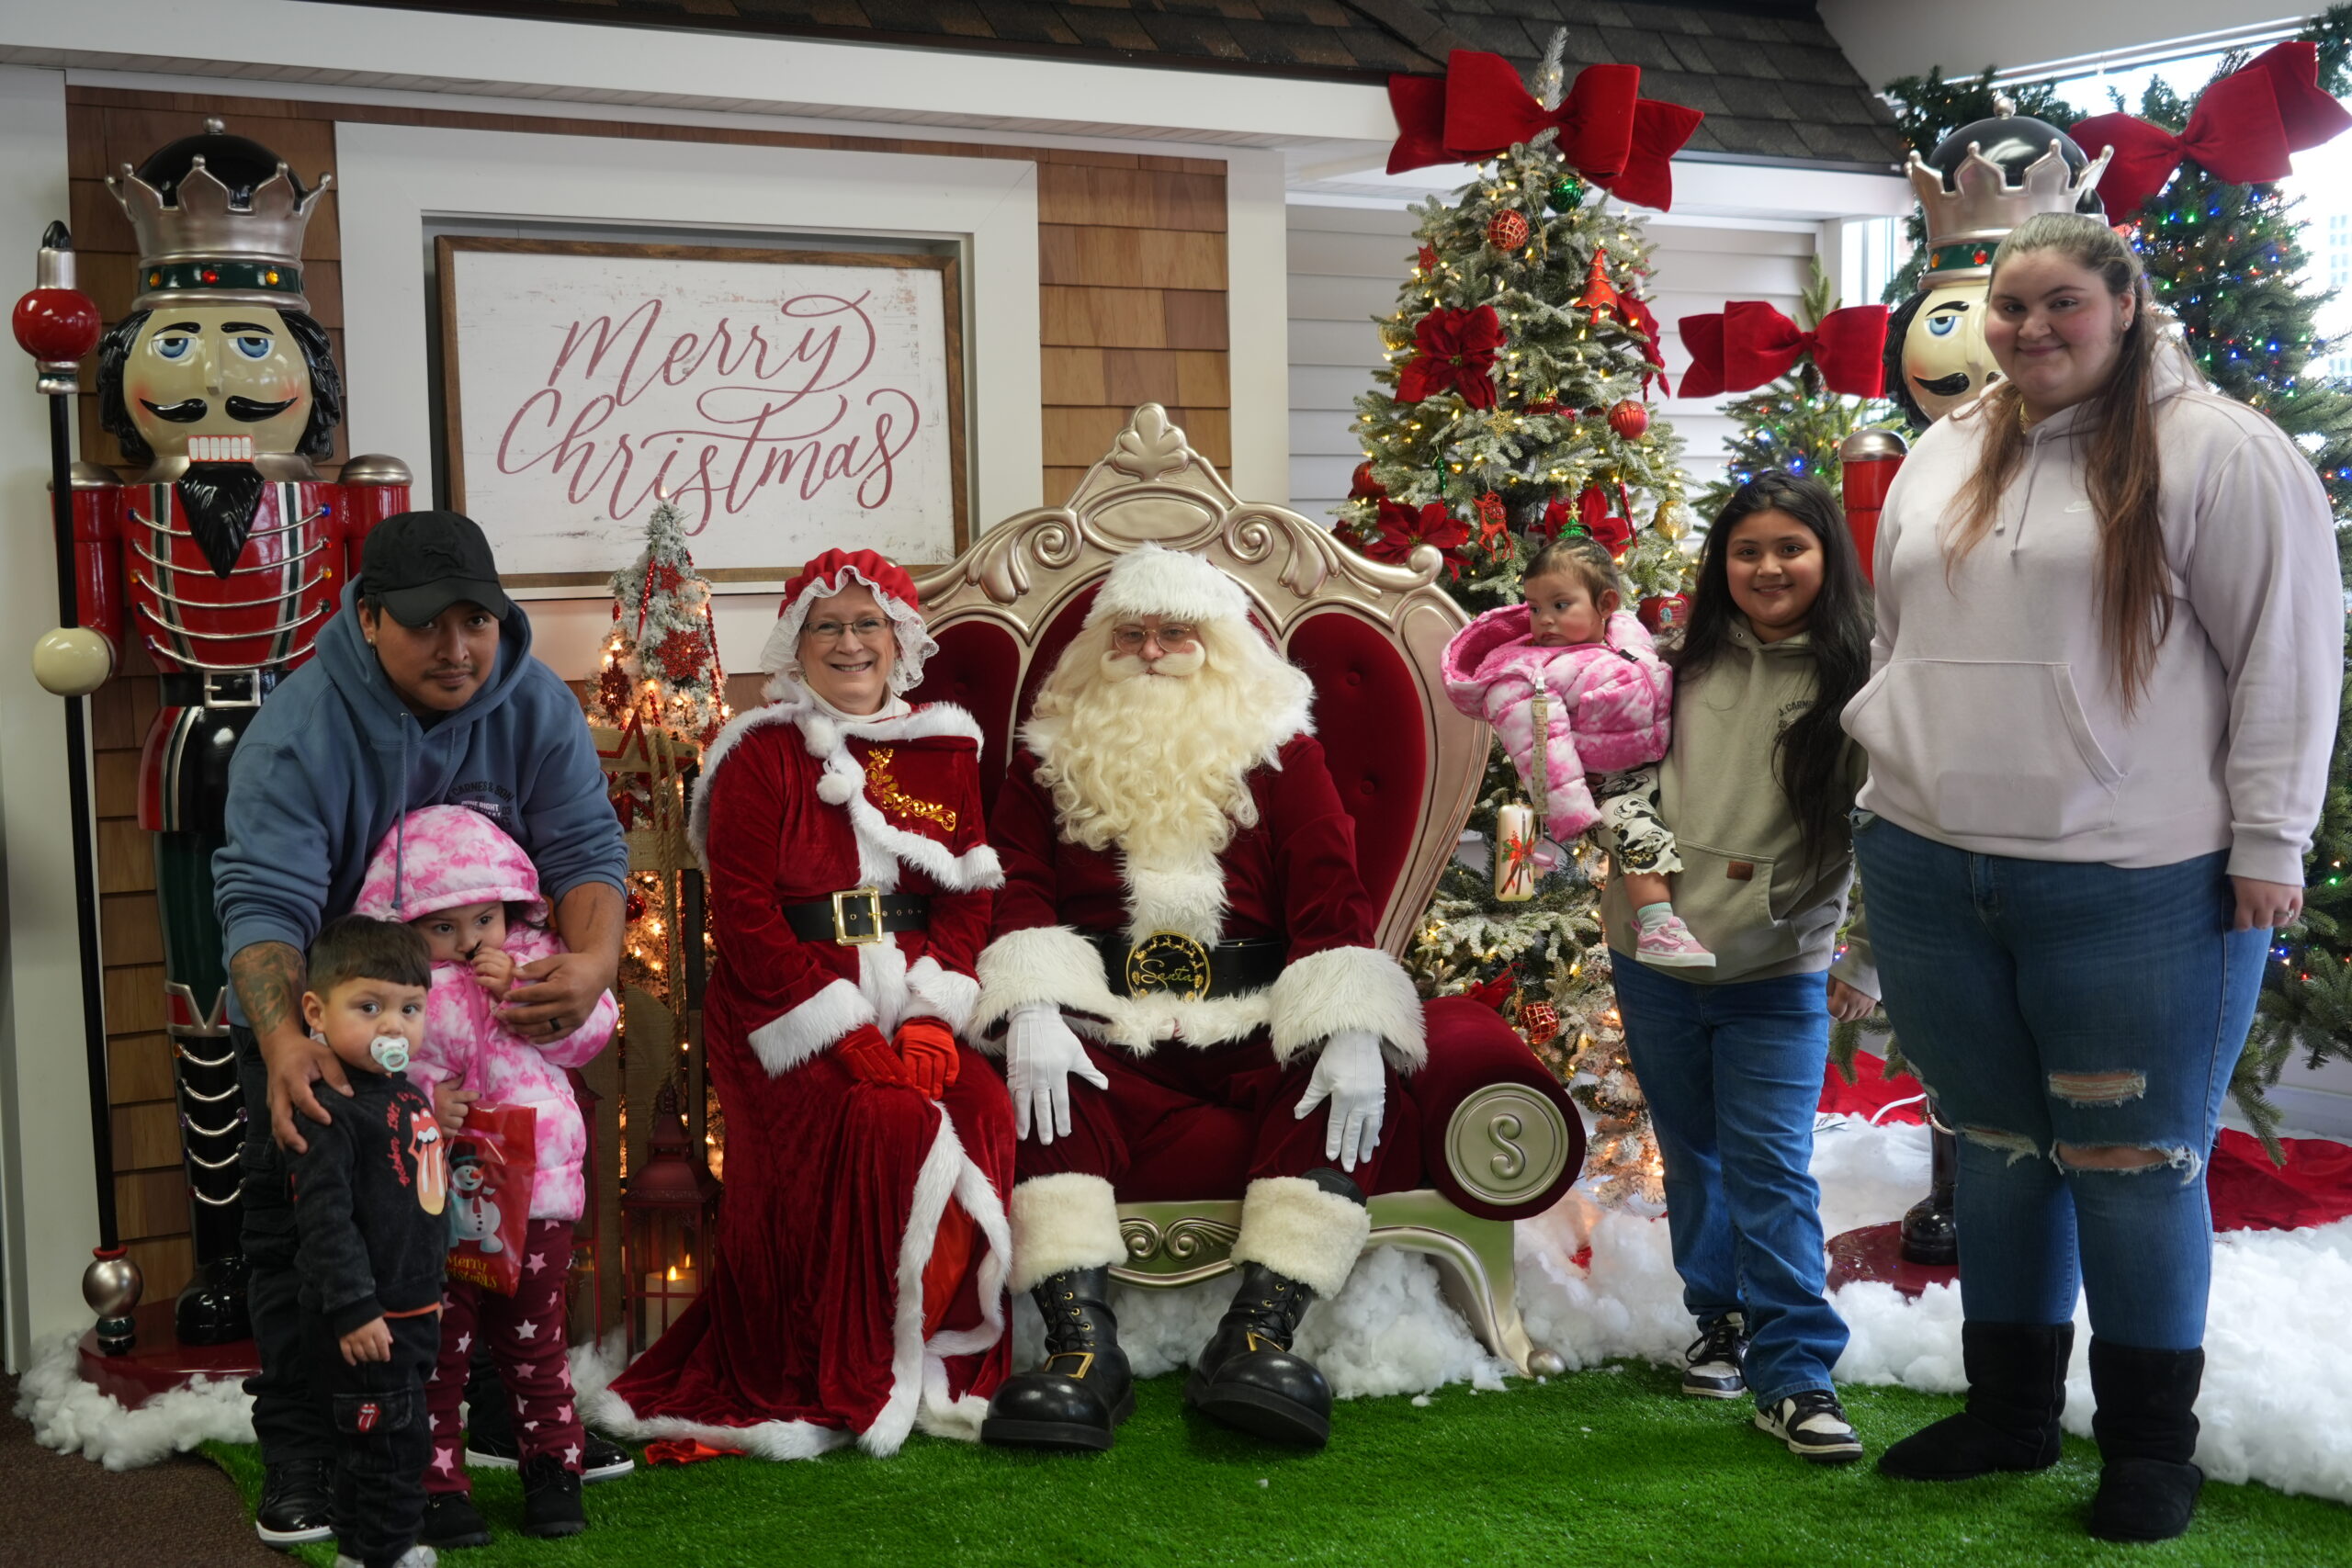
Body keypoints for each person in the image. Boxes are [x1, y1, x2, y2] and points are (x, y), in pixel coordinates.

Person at [1844, 212, 2342, 1541]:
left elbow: (2289, 657)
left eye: (2061, 301)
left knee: (2130, 1162)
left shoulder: (2221, 451)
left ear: (2124, 302)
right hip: (1931, 860)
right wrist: (1883, 785)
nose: (2030, 329)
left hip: (2137, 880)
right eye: (2010, 306)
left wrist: (2270, 844)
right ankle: (2008, 1414)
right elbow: (1896, 637)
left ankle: (2148, 1450)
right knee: (1998, 1150)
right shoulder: (1945, 448)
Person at [974, 544, 1447, 1454]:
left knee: (1336, 1083)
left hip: (1251, 1021)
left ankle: (1257, 1336)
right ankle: (1082, 1348)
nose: (1151, 652)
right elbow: (1020, 886)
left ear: (1219, 648)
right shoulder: (1049, 756)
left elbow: (1330, 895)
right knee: (1040, 1087)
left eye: (1175, 634)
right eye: (1131, 636)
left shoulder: (1282, 751)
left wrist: (1349, 1022)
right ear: (1101, 647)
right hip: (1107, 1023)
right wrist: (1033, 1006)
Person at [214, 510, 629, 1546]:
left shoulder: (533, 701)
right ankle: (303, 1448)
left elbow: (586, 846)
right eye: (425, 623)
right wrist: (289, 1043)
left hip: (481, 1030)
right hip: (330, 1021)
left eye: (475, 621)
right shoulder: (301, 730)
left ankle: (490, 1410)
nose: (456, 648)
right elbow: (265, 902)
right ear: (368, 618)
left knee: (491, 1226)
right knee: (308, 1233)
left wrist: (589, 967)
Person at [592, 549, 1015, 1459]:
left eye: (867, 625)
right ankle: (846, 1358)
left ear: (899, 639)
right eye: (828, 626)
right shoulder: (758, 753)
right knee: (886, 1119)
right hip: (783, 1007)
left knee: (980, 1105)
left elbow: (968, 898)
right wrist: (845, 1033)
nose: (849, 643)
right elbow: (744, 915)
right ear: (797, 641)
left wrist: (931, 1014)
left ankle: (937, 1348)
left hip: (913, 992)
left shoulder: (945, 748)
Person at [1598, 472, 1879, 1464]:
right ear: (1721, 562)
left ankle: (1795, 1373)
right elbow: (1621, 789)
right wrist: (1654, 905)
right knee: (1695, 1154)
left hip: (1777, 970)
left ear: (1826, 558)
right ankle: (1717, 1315)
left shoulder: (1863, 680)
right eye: (1747, 549)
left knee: (1770, 1166)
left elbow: (1893, 825)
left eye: (1789, 548)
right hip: (1654, 957)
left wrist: (1865, 960)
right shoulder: (1668, 669)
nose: (1767, 567)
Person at [351, 806, 619, 1546]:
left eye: (484, 918)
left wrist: (524, 990)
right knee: (440, 1351)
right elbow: (366, 1074)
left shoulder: (541, 960)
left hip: (539, 1195)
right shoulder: (397, 992)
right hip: (439, 1199)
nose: (470, 940)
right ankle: (437, 1485)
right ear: (403, 925)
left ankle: (554, 1471)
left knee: (537, 1347)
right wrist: (423, 1103)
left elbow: (590, 1033)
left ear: (512, 907)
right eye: (445, 925)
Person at [1442, 535, 1708, 967]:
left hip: (1663, 763)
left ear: (1606, 604)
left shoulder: (1626, 631)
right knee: (1640, 832)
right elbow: (1543, 754)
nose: (1544, 619)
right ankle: (1658, 928)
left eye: (1560, 605)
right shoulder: (1529, 676)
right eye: (1534, 608)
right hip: (1606, 786)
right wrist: (1574, 816)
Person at [287, 916, 447, 1568]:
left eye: (410, 1009)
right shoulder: (330, 1107)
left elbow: (420, 1203)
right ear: (316, 1013)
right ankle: (385, 1554)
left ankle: (361, 1551)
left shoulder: (405, 1093)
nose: (394, 1027)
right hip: (364, 1316)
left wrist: (432, 1291)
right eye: (370, 1007)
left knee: (377, 1444)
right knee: (391, 1450)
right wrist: (353, 1308)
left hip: (409, 1307)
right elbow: (325, 1219)